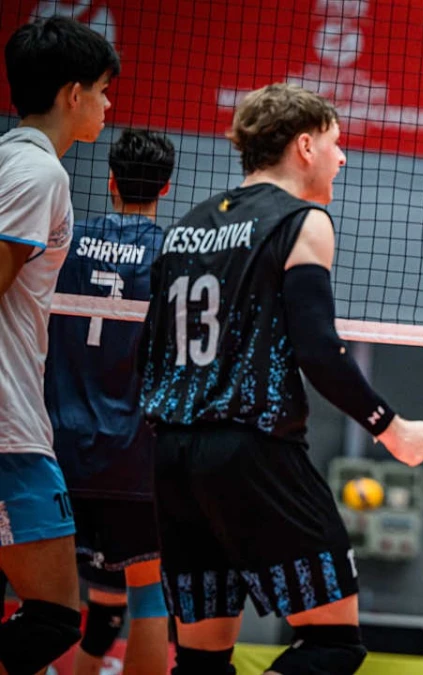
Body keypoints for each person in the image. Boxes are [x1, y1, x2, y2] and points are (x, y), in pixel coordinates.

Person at [138, 82, 423, 675]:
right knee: (332, 645)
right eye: (335, 141)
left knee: (200, 662)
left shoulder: (186, 226)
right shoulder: (304, 222)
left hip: (172, 455)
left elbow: (148, 354)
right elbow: (319, 352)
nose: (343, 156)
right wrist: (392, 428)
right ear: (304, 146)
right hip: (255, 452)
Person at [0, 16, 119, 675]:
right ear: (73, 93)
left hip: (15, 420)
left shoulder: (12, 161)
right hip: (7, 429)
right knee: (52, 618)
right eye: (103, 90)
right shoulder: (36, 174)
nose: (108, 106)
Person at [44, 128, 175, 675]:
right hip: (134, 453)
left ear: (111, 180)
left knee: (44, 601)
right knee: (149, 599)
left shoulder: (66, 238)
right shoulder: (171, 254)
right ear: (165, 189)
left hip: (57, 442)